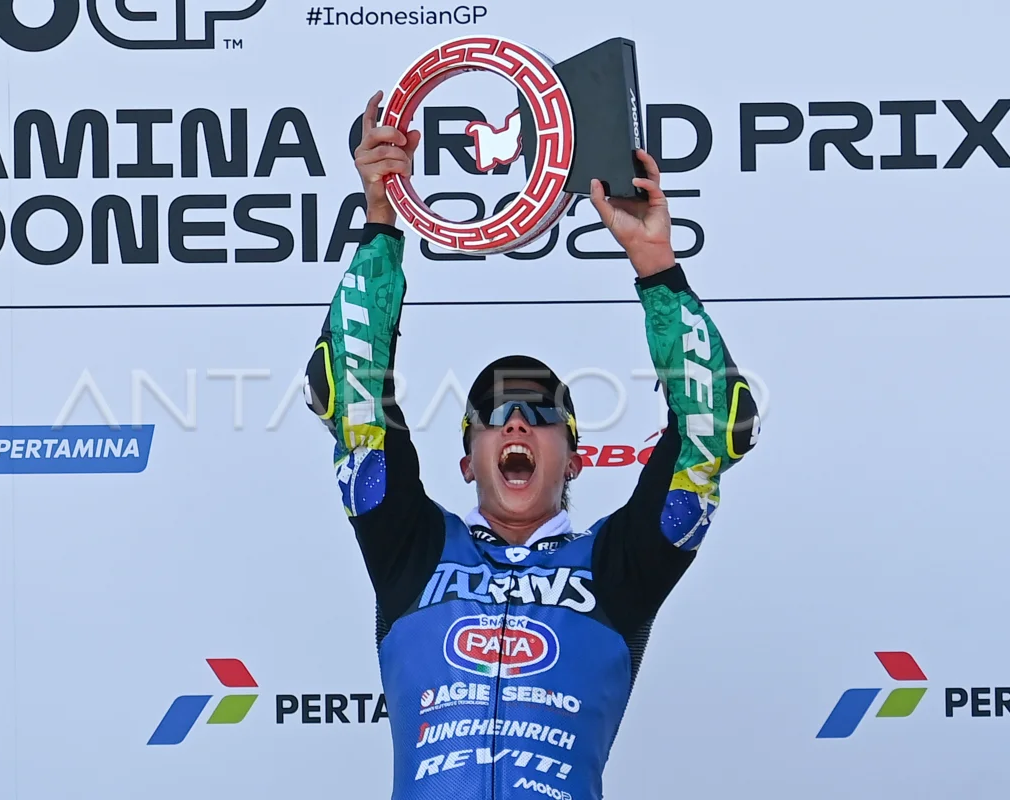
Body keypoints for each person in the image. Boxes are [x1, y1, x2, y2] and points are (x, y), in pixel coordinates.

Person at [302, 91, 761, 800]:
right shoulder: (411, 550)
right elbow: (349, 389)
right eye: (493, 412)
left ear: (574, 458)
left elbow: (716, 425)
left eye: (541, 410)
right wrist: (382, 214)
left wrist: (654, 262)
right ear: (467, 460)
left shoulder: (617, 568)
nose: (516, 422)